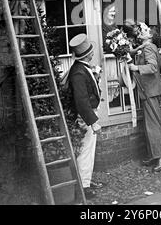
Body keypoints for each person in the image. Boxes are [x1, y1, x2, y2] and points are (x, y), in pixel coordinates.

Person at [128, 22, 161, 172]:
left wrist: (136, 67)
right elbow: (135, 53)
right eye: (140, 30)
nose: (140, 32)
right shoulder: (143, 48)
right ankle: (154, 154)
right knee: (149, 126)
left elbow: (152, 67)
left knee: (153, 126)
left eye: (144, 30)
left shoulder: (149, 47)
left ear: (150, 35)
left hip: (151, 92)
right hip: (147, 91)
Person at [68, 34, 103, 199]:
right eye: (91, 51)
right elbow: (81, 101)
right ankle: (83, 187)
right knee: (85, 151)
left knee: (88, 150)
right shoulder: (78, 73)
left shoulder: (82, 68)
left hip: (88, 114)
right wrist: (93, 122)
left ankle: (86, 181)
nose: (92, 53)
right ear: (87, 55)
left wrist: (95, 78)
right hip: (85, 116)